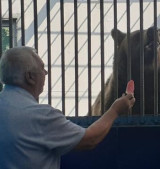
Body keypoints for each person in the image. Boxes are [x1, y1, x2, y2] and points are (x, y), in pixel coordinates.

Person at [0, 46, 135, 169]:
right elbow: (89, 139)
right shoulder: (40, 115)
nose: (45, 73)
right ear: (30, 77)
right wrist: (115, 110)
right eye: (42, 68)